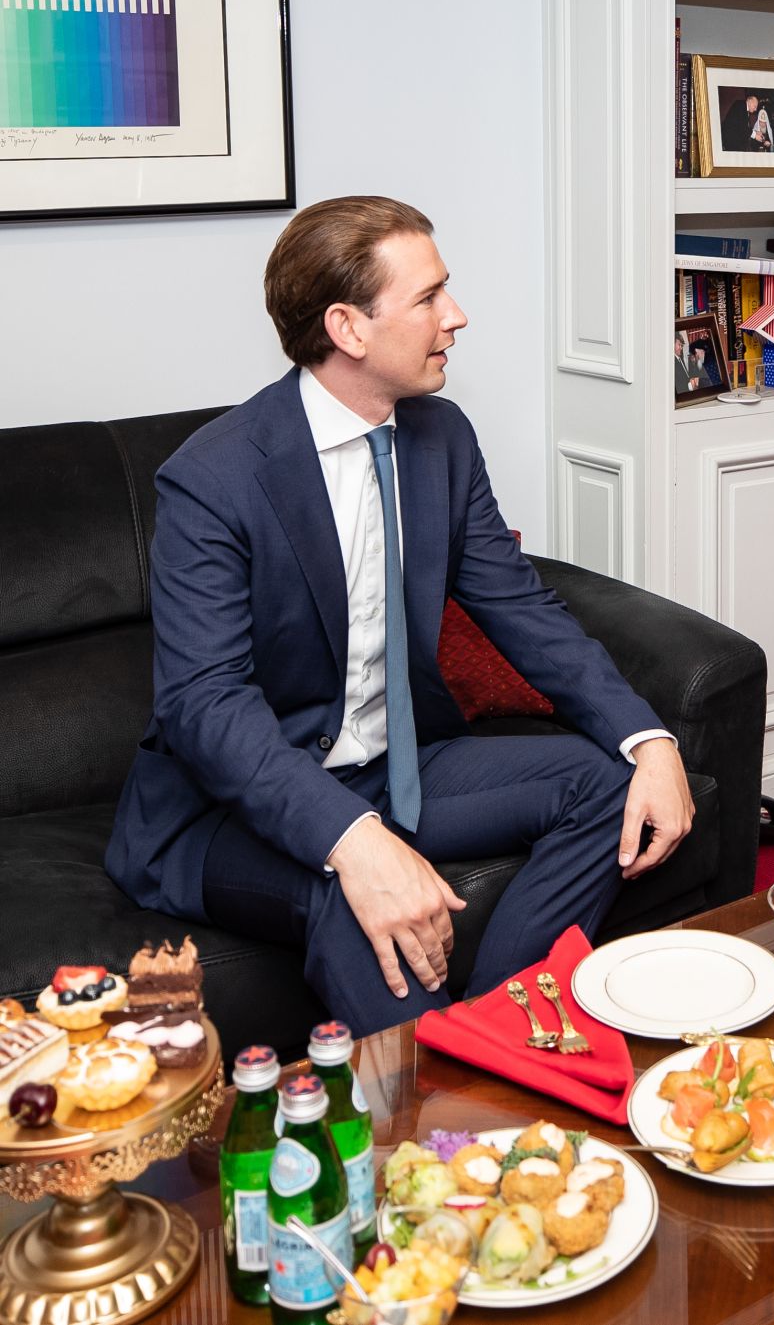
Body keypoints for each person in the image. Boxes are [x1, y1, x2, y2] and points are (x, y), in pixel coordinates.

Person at [106, 196, 696, 1035]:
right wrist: (353, 838)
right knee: (352, 889)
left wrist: (651, 739)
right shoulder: (214, 478)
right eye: (428, 298)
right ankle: (446, 1112)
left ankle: (491, 1040)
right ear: (348, 327)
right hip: (225, 811)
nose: (456, 317)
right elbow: (203, 706)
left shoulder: (440, 438)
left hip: (395, 768)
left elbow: (520, 605)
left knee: (609, 787)